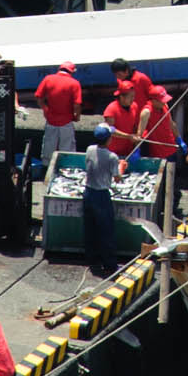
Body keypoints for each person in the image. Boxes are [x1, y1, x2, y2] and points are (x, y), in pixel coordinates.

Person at [82, 139, 127, 278]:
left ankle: (92, 260)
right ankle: (110, 265)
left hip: (88, 193)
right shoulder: (112, 156)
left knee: (90, 229)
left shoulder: (90, 149)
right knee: (106, 231)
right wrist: (122, 167)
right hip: (101, 196)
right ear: (108, 140)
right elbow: (117, 178)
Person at [33, 61, 83, 168]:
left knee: (48, 146)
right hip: (66, 122)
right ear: (71, 71)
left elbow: (39, 97)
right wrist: (77, 117)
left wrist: (45, 110)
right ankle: (67, 168)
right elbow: (77, 105)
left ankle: (46, 168)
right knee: (67, 149)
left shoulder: (48, 79)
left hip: (50, 120)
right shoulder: (74, 83)